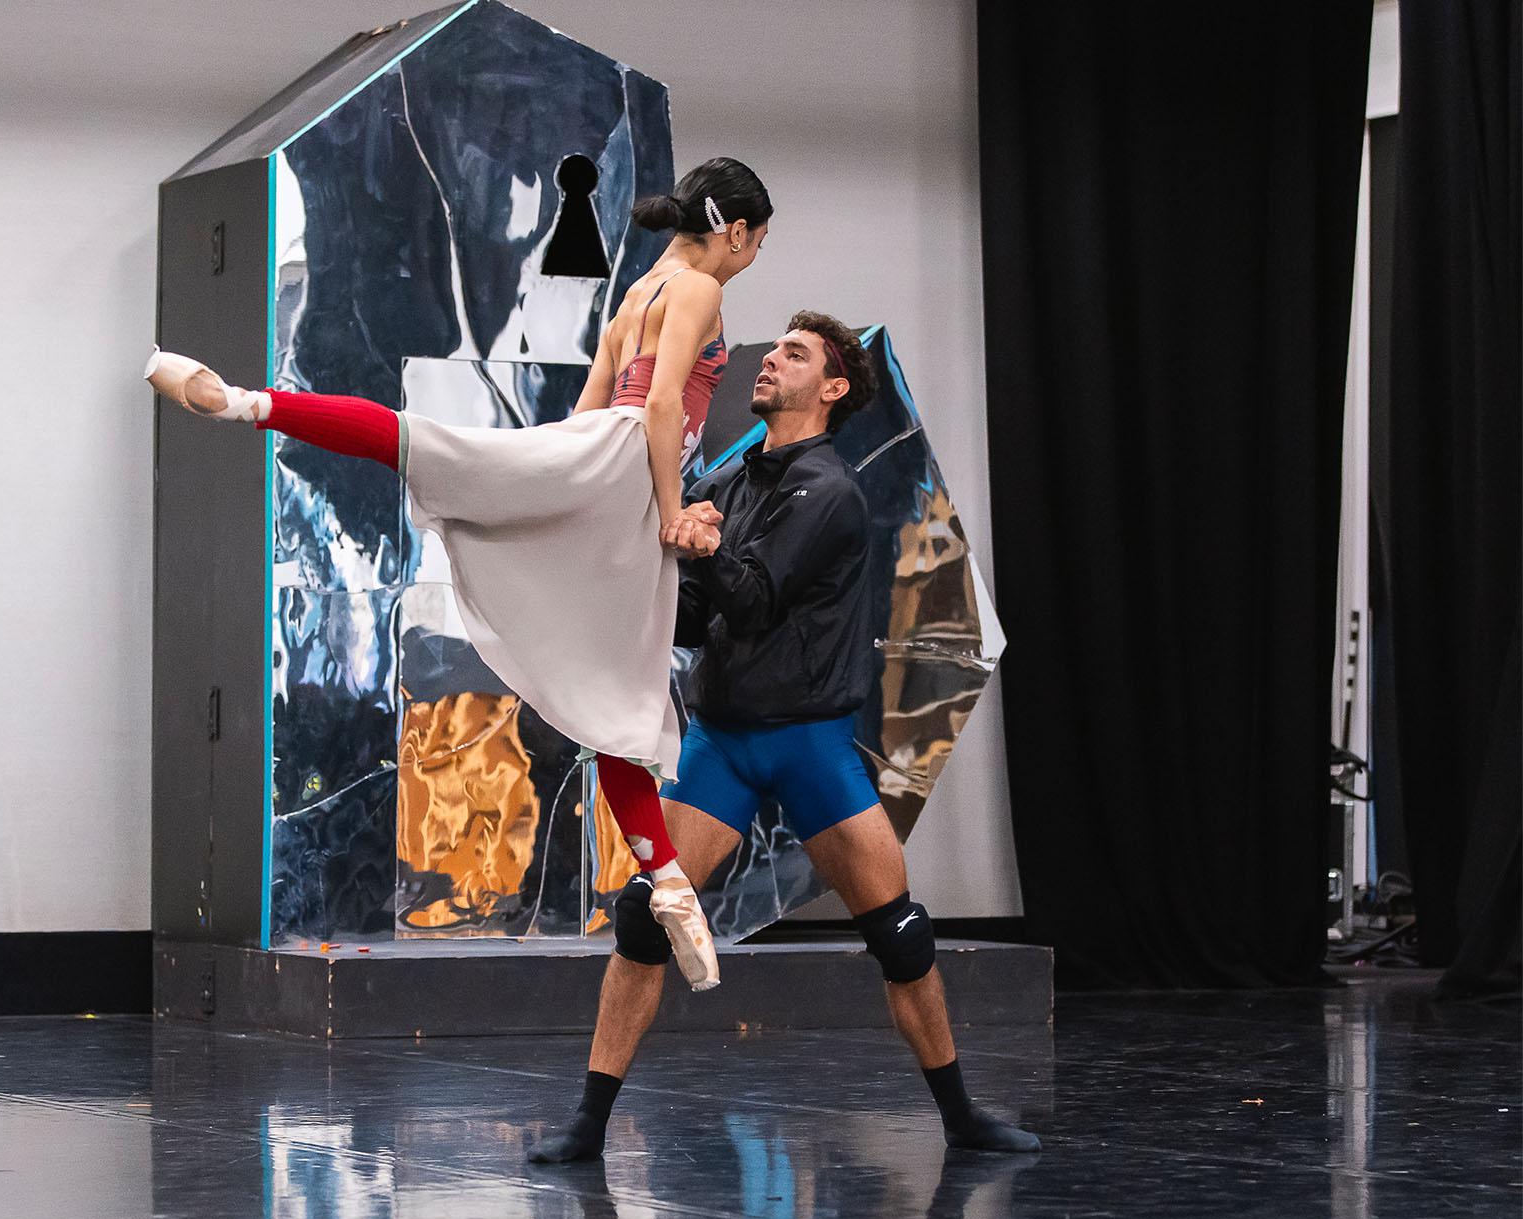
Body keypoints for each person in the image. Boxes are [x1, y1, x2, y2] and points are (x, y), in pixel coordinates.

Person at [145, 159, 774, 990]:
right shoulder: (696, 288)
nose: (753, 255)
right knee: (619, 686)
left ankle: (250, 404)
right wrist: (667, 510)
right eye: (758, 241)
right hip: (629, 473)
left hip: (597, 457)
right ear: (734, 230)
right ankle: (665, 879)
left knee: (610, 683)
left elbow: (591, 404)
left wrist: (544, 479)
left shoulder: (640, 291)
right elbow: (660, 408)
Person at [527, 311, 1043, 1161]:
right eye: (774, 351)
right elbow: (696, 613)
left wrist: (694, 551)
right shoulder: (730, 484)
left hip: (810, 748)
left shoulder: (831, 490)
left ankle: (962, 1119)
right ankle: (587, 1125)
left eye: (794, 355)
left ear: (833, 390)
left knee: (901, 936)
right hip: (724, 743)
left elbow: (756, 597)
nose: (770, 362)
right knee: (646, 920)